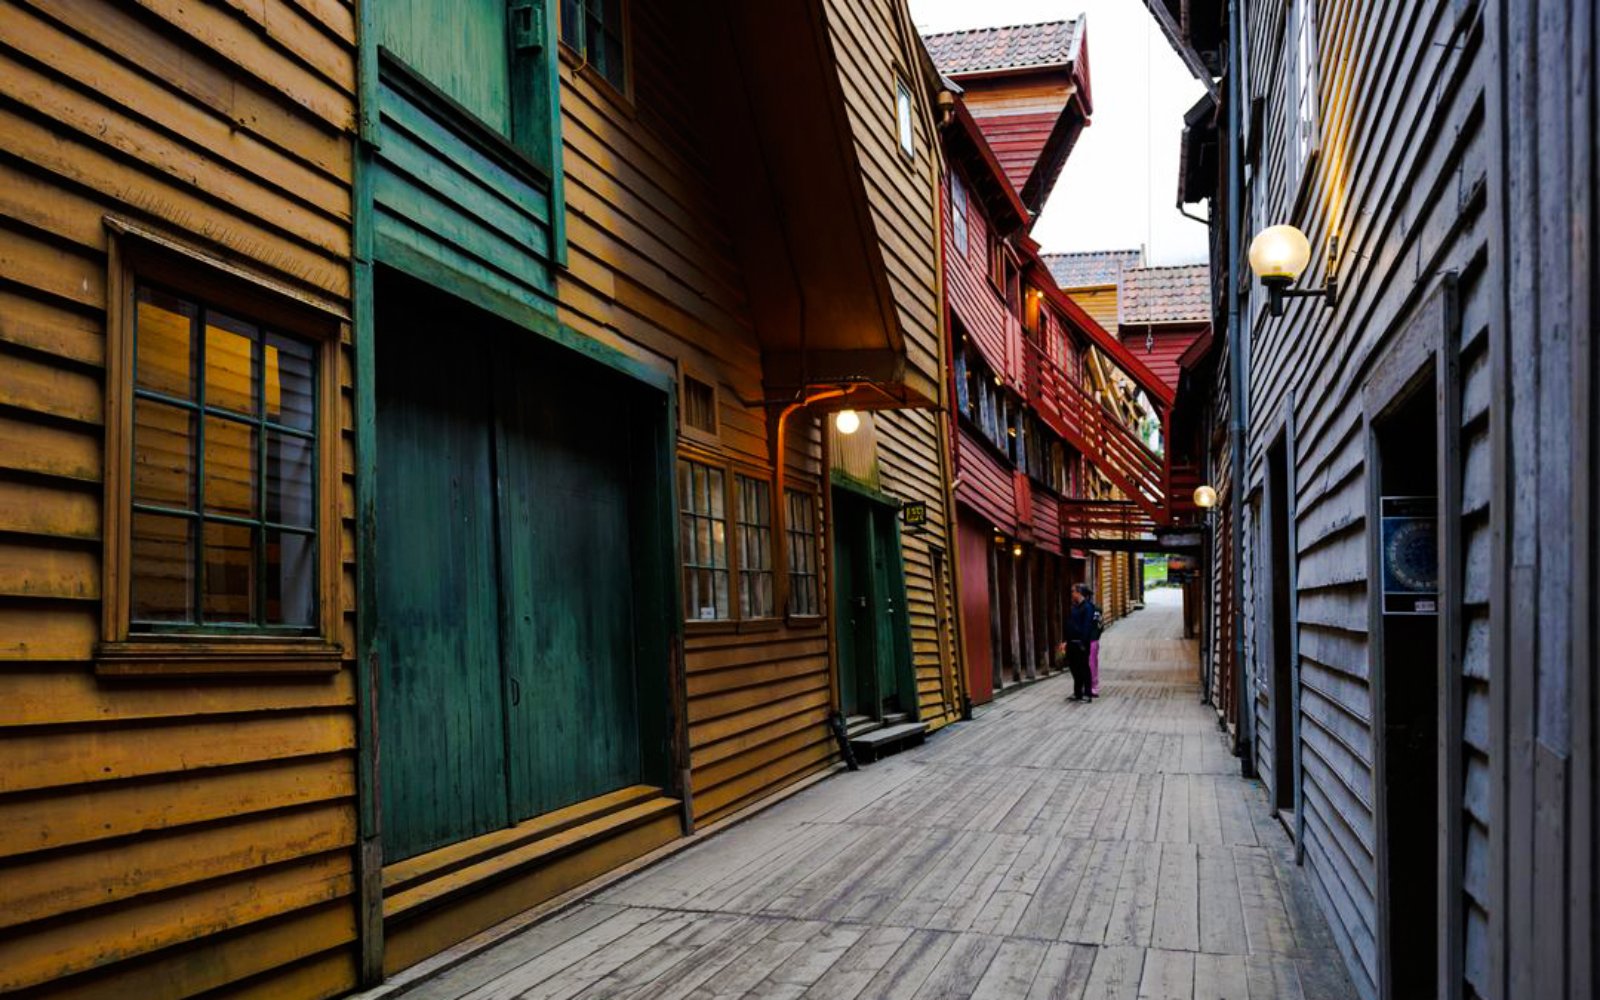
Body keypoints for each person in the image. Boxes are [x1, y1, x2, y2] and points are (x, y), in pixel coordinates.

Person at [1065, 583, 1101, 701]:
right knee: (1074, 668)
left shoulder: (1088, 607)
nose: (1071, 594)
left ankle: (1087, 693)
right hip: (1072, 642)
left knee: (1084, 668)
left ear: (1079, 593)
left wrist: (1083, 642)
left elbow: (1087, 626)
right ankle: (1077, 693)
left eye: (1073, 591)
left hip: (1081, 643)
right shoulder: (1075, 607)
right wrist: (1066, 641)